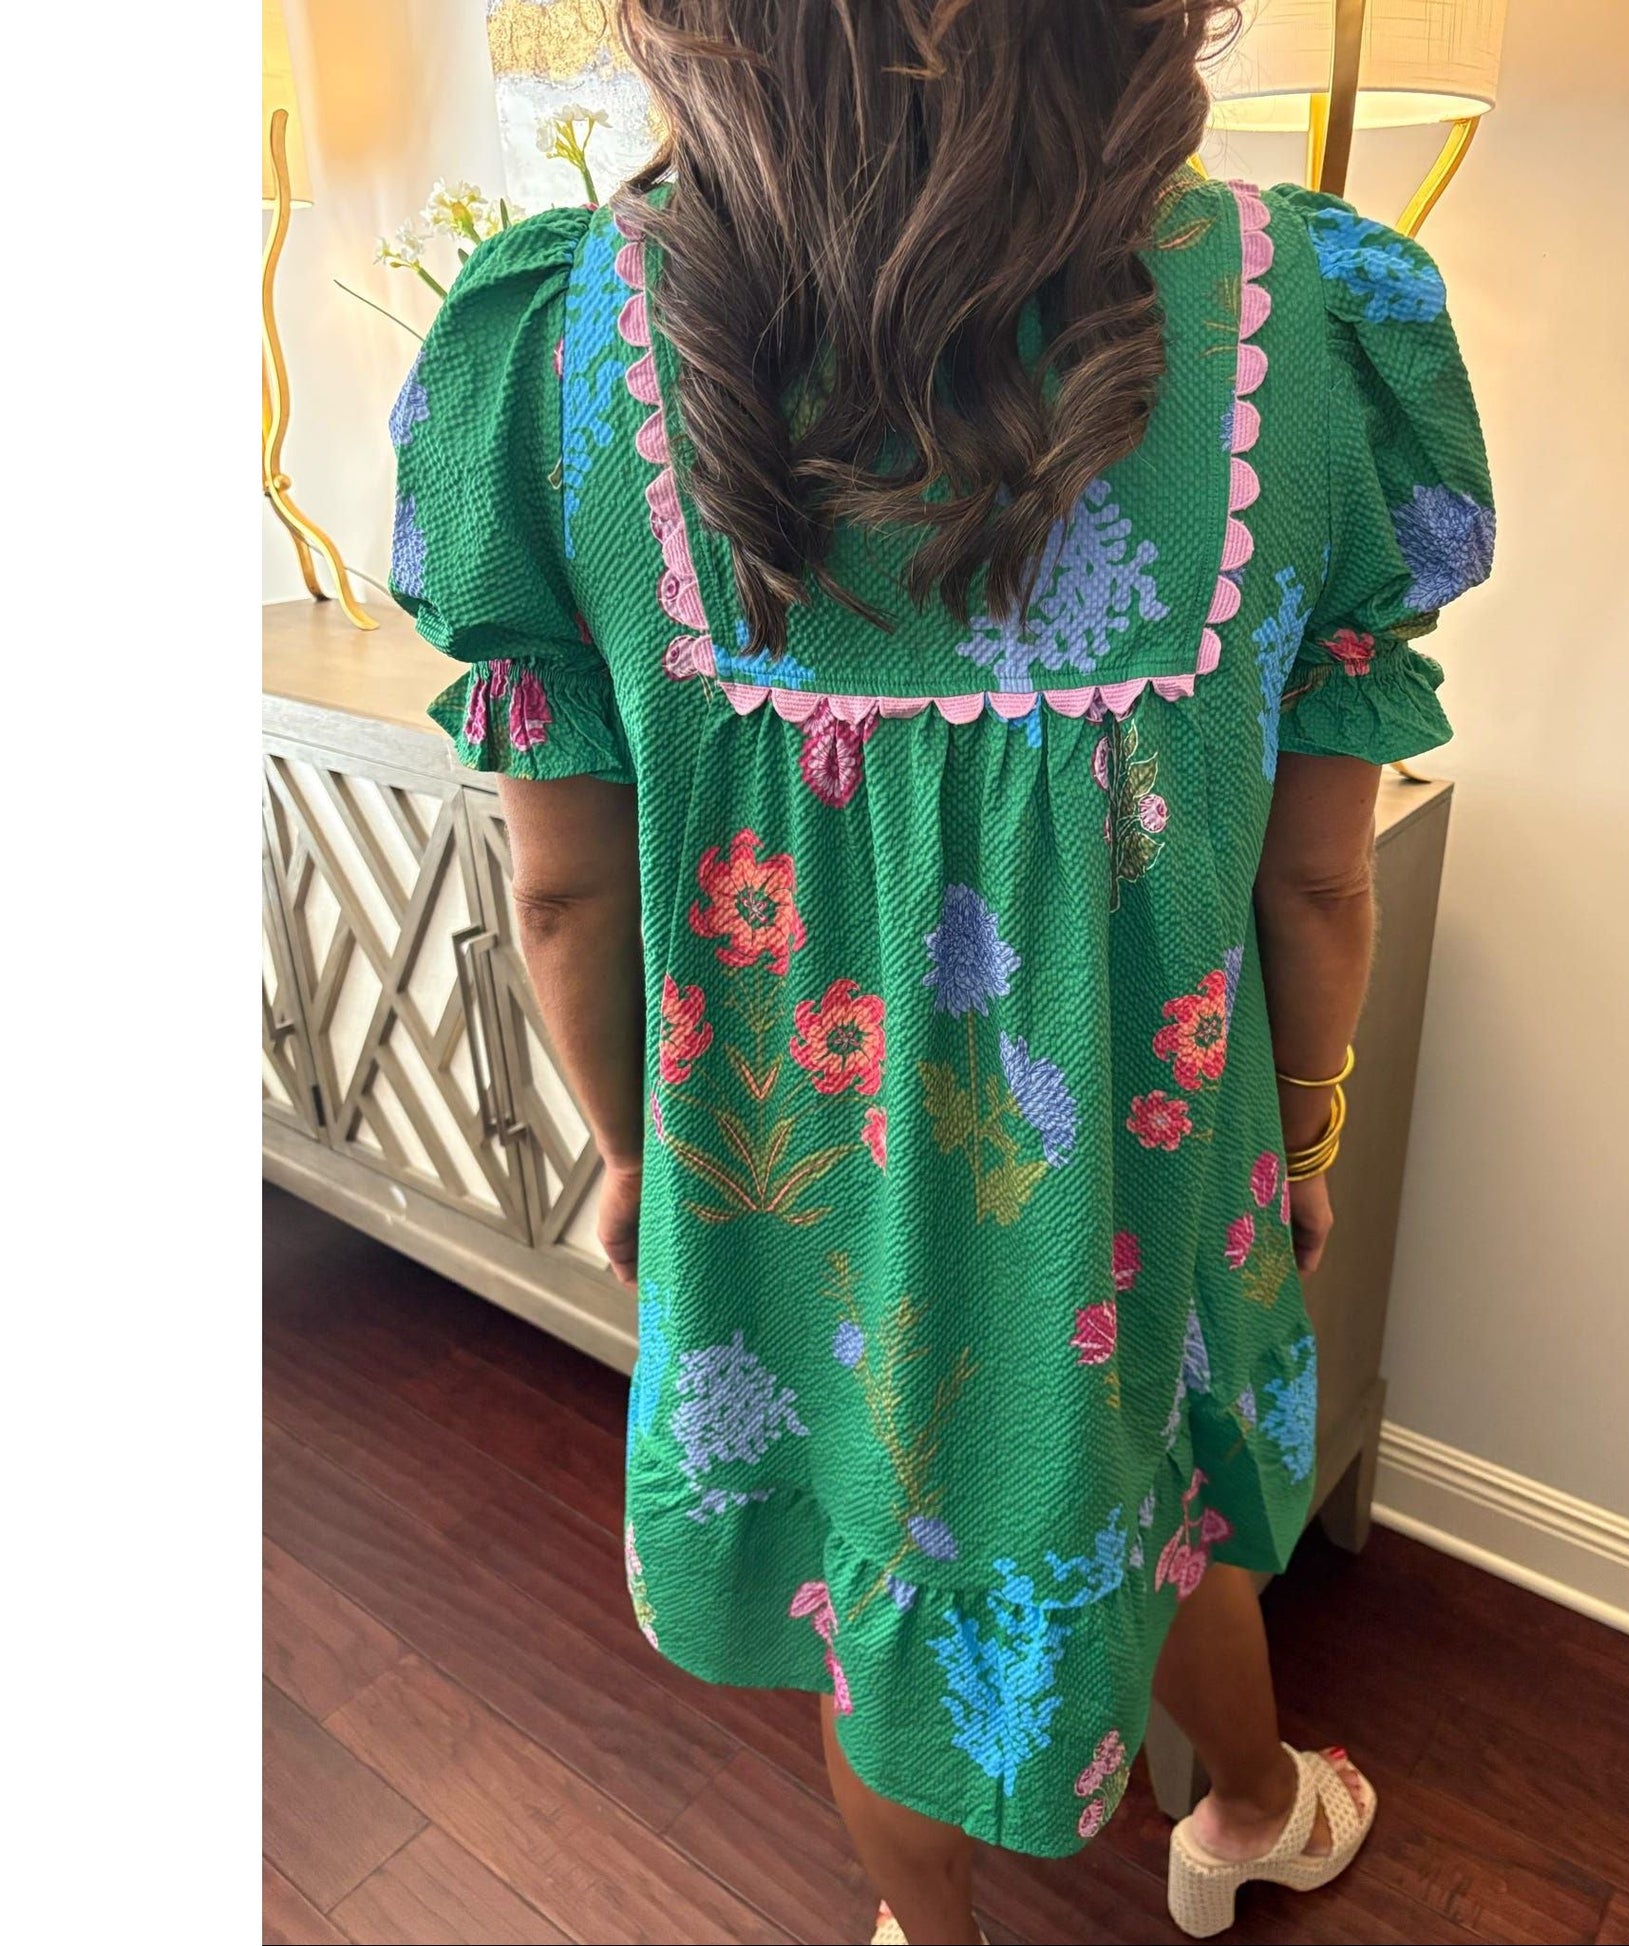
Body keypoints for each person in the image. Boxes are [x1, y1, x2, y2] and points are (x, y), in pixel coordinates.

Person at [388, 5, 1492, 1938]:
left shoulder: (561, 343)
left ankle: (931, 1928)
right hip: (1152, 1154)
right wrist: (1306, 1130)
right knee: (1157, 1470)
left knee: (862, 1561)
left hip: (791, 1177)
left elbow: (561, 892)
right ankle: (1244, 1810)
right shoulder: (1309, 315)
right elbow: (1317, 883)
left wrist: (644, 1156)